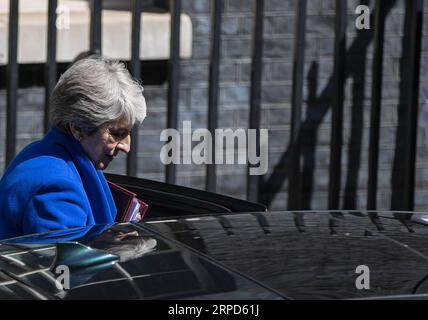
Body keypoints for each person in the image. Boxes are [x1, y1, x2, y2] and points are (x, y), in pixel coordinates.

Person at [0, 56, 147, 240]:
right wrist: (117, 247)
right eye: (117, 133)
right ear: (77, 128)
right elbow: (63, 266)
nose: (126, 146)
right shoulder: (57, 189)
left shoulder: (45, 153)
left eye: (128, 132)